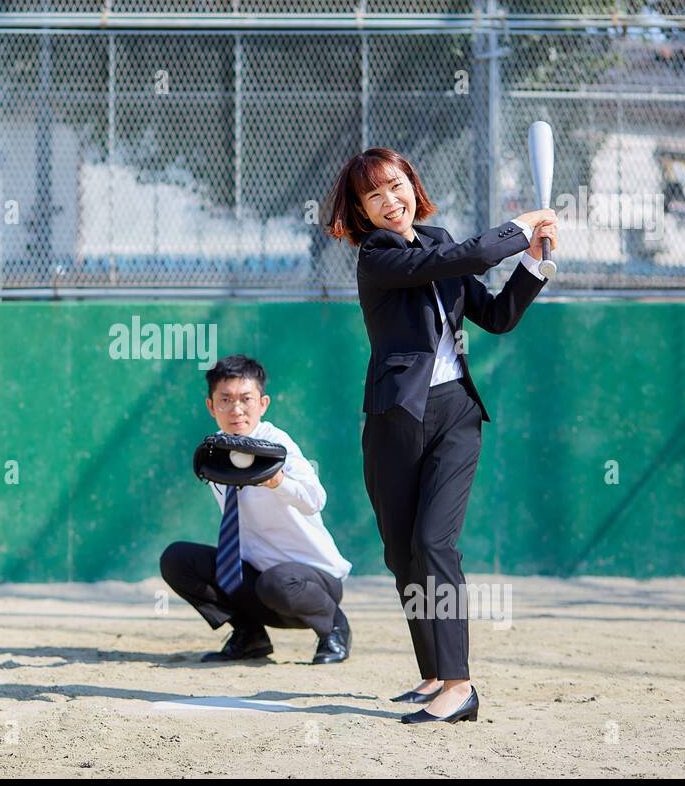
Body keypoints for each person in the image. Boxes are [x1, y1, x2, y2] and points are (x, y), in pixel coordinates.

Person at [325, 147, 557, 723]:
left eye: (396, 186)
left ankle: (460, 683)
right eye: (373, 195)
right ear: (360, 210)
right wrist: (521, 224)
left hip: (456, 414)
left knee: (434, 544)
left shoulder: (439, 243)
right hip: (394, 420)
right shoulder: (376, 256)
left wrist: (532, 264)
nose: (389, 201)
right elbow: (472, 255)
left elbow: (497, 315)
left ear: (412, 185)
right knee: (402, 554)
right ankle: (432, 673)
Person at [160, 354, 354, 664]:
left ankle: (334, 626)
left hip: (311, 584)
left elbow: (316, 499)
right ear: (211, 406)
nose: (236, 409)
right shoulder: (216, 451)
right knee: (177, 559)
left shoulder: (278, 445)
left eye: (245, 399)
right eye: (225, 399)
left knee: (277, 582)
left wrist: (277, 480)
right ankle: (249, 635)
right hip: (259, 582)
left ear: (263, 404)